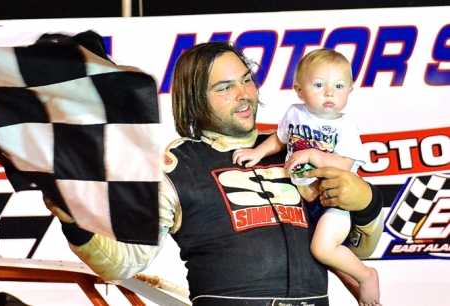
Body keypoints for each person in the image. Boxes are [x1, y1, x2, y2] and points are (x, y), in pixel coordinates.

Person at [43, 41, 384, 306]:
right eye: (224, 88)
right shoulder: (175, 167)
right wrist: (74, 219)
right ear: (195, 100)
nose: (244, 95)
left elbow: (359, 250)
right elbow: (123, 263)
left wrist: (366, 202)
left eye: (246, 80)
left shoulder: (293, 148)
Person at [232, 48, 380, 306]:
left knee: (323, 248)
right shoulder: (294, 113)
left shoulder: (345, 128)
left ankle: (366, 276)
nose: (329, 92)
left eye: (339, 85)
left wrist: (312, 154)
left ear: (350, 91)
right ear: (300, 90)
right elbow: (279, 139)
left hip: (333, 202)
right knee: (315, 251)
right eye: (319, 84)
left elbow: (344, 164)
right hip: (302, 198)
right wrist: (257, 152)